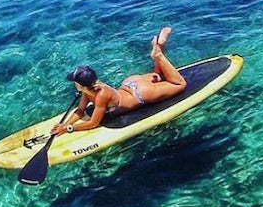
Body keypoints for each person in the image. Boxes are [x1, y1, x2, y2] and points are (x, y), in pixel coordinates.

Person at [51, 27, 187, 135]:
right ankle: (159, 46)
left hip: (141, 94)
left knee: (180, 84)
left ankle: (158, 54)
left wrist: (70, 129)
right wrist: (66, 124)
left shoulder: (101, 96)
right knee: (158, 75)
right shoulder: (89, 89)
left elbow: (94, 123)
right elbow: (80, 111)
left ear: (80, 85)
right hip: (131, 84)